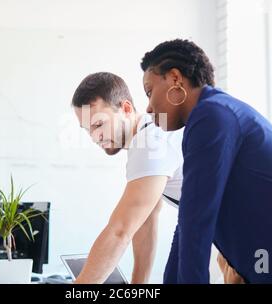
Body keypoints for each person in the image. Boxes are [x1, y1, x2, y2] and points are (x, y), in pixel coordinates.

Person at [141, 39, 272, 284]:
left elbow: (196, 224)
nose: (148, 108)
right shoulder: (208, 118)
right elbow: (188, 223)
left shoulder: (213, 114)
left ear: (174, 78)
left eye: (149, 92)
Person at [71, 72, 242, 283]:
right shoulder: (147, 138)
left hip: (245, 221)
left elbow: (120, 231)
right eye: (87, 129)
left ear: (125, 109)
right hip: (207, 218)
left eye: (98, 125)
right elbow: (145, 220)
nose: (94, 137)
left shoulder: (151, 142)